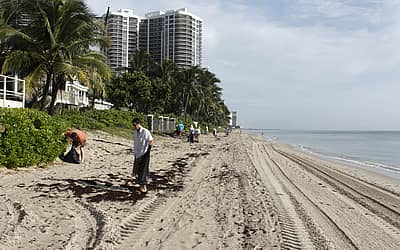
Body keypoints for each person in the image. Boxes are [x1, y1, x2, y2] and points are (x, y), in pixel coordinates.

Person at [132, 117, 153, 193]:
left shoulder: (145, 132)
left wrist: (148, 151)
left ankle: (143, 186)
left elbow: (151, 140)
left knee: (143, 170)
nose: (134, 126)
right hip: (137, 153)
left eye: (135, 125)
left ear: (139, 124)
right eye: (133, 125)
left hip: (144, 153)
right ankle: (139, 183)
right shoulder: (135, 132)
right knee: (137, 170)